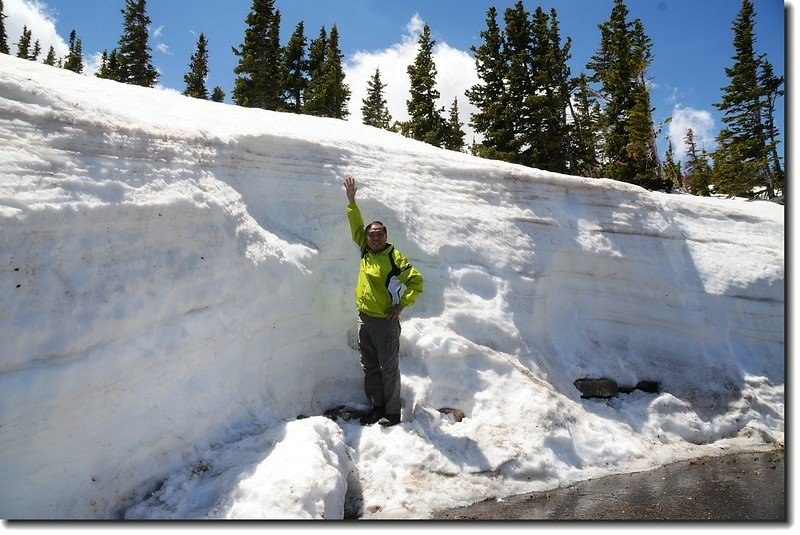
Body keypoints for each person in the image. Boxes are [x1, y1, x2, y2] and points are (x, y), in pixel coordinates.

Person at [344, 176, 424, 427]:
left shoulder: (394, 258)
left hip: (385, 322)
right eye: (371, 235)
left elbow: (416, 281)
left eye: (379, 234)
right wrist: (351, 201)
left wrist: (402, 305)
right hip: (365, 318)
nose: (375, 238)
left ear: (386, 236)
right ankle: (376, 407)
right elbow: (356, 227)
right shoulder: (366, 250)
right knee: (370, 366)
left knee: (389, 369)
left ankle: (392, 413)